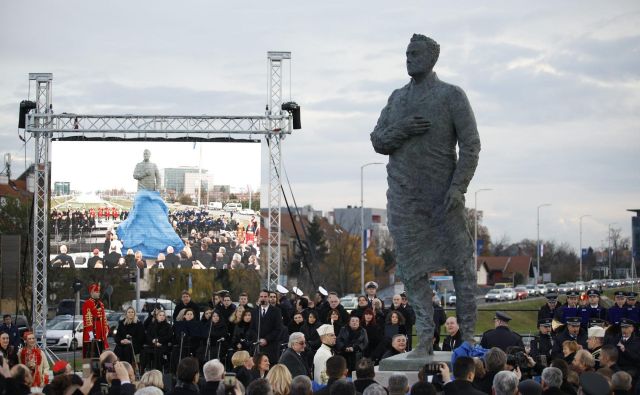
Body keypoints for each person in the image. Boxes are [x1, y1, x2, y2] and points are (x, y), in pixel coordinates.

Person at [370, 34, 481, 356]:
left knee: (461, 264)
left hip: (442, 197)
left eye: (415, 54)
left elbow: (471, 145)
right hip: (405, 198)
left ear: (432, 58)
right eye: (406, 54)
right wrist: (402, 128)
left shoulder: (451, 96)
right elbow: (378, 141)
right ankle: (425, 339)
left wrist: (458, 187)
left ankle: (468, 340)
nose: (409, 59)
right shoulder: (398, 99)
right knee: (413, 269)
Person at [251, 289, 283, 364]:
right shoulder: (255, 311)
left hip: (271, 346)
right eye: (261, 296)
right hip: (258, 346)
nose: (263, 298)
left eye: (265, 296)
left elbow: (278, 329)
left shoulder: (276, 311)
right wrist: (257, 339)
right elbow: (252, 329)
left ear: (268, 298)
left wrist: (266, 339)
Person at [82, 283, 110, 358]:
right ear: (91, 292)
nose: (99, 293)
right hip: (92, 331)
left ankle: (98, 368)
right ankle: (89, 368)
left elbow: (104, 317)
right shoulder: (87, 303)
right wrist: (90, 332)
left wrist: (106, 328)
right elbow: (87, 318)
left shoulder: (101, 304)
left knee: (99, 352)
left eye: (99, 292)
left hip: (100, 331)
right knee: (91, 353)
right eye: (97, 292)